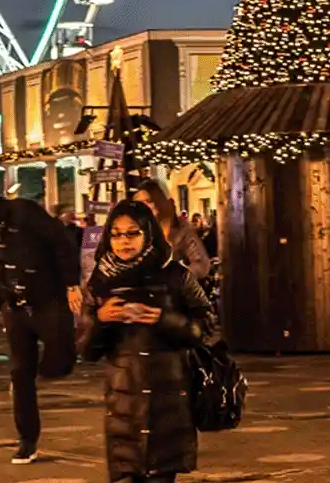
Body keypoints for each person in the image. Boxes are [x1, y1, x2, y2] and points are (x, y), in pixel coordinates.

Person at [81, 198, 218, 483]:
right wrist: (101, 320)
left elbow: (205, 329)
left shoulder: (176, 276)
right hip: (123, 407)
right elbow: (86, 349)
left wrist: (162, 318)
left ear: (148, 233)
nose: (123, 241)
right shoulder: (100, 280)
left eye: (132, 232)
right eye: (116, 234)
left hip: (168, 402)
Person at [0, 188, 83, 465]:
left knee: (60, 356)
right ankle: (26, 439)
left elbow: (61, 243)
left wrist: (72, 284)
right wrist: (4, 299)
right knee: (19, 372)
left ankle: (51, 368)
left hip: (48, 298)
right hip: (15, 305)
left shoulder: (23, 212)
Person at [132, 179, 211, 282]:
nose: (145, 208)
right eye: (140, 204)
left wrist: (175, 279)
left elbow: (201, 265)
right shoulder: (136, 231)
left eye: (149, 202)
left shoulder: (183, 232)